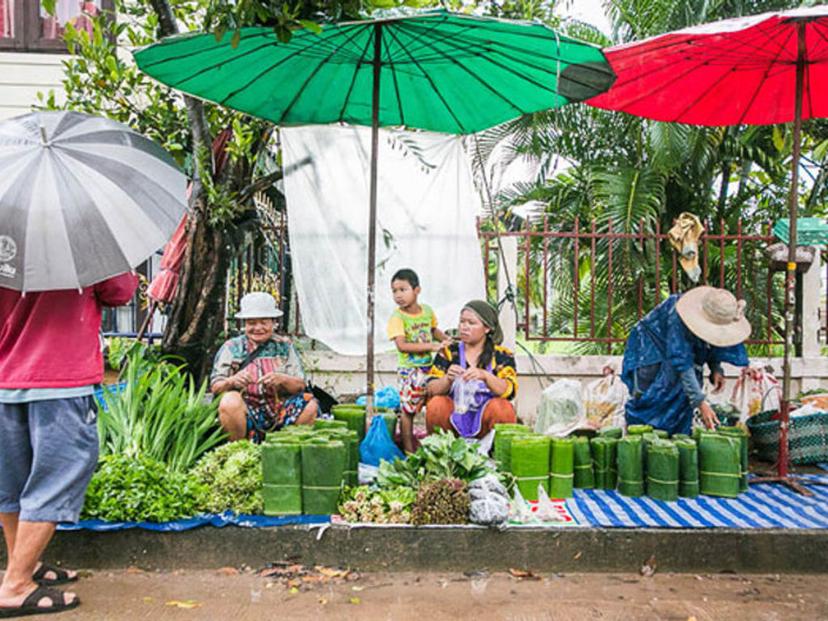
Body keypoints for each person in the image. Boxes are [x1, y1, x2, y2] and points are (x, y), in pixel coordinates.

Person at [0, 272, 138, 618]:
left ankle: (24, 565)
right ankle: (16, 585)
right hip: (58, 381)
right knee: (57, 478)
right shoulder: (82, 239)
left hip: (4, 378)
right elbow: (120, 291)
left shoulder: (7, 234)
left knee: (11, 481)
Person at [621, 286, 751, 436]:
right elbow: (682, 362)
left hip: (676, 357)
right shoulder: (677, 316)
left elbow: (710, 342)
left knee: (681, 405)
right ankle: (640, 449)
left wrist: (716, 368)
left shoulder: (711, 317)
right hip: (651, 355)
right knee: (653, 403)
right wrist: (700, 402)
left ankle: (673, 450)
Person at [211, 292, 317, 443]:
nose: (258, 328)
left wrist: (283, 379)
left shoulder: (284, 347)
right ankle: (238, 449)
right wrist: (232, 381)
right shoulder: (232, 347)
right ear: (245, 324)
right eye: (252, 323)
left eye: (264, 322)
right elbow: (216, 386)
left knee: (310, 404)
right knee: (229, 401)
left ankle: (287, 448)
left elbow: (300, 385)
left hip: (279, 409)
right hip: (246, 410)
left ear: (273, 323)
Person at [425, 300, 518, 438]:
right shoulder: (449, 352)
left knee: (503, 409)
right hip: (452, 423)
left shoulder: (502, 355)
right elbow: (431, 388)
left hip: (486, 426)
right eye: (462, 322)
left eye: (471, 323)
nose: (464, 327)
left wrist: (485, 376)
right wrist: (447, 379)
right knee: (437, 405)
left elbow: (509, 391)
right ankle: (445, 451)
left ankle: (495, 453)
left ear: (487, 328)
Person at [387, 268, 451, 453]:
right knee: (408, 410)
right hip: (409, 371)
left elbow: (433, 331)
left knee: (433, 406)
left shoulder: (427, 311)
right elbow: (402, 346)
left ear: (417, 290)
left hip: (429, 369)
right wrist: (431, 347)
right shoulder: (397, 317)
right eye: (394, 291)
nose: (398, 295)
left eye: (403, 289)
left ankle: (433, 448)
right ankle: (409, 451)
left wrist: (446, 341)